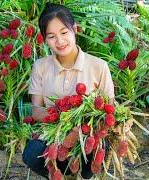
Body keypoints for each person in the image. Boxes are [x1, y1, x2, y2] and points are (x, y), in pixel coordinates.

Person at [22, 3, 115, 179]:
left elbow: (109, 111)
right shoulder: (40, 66)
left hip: (87, 135)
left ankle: (80, 175)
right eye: (51, 36)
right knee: (31, 154)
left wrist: (79, 129)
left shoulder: (99, 66)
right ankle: (61, 174)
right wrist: (60, 116)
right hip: (54, 134)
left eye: (64, 33)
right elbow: (36, 110)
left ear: (75, 29)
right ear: (44, 39)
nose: (59, 41)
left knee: (91, 157)